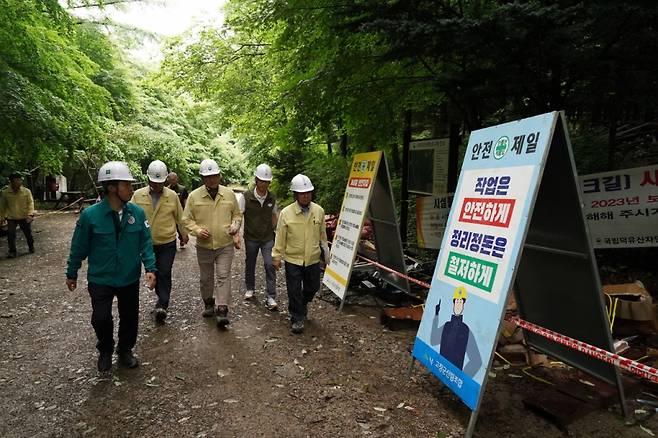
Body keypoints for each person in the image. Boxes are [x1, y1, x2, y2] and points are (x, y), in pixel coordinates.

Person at [65, 161, 157, 372]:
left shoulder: (137, 213)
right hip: (101, 278)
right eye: (126, 184)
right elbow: (78, 247)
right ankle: (105, 349)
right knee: (100, 318)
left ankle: (125, 350)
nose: (131, 188)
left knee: (130, 317)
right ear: (111, 187)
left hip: (128, 277)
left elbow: (145, 243)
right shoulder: (90, 216)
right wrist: (72, 273)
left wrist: (150, 269)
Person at [182, 159, 242, 328]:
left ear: (219, 175)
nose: (212, 179)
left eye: (214, 176)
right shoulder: (194, 196)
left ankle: (222, 309)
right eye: (208, 177)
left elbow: (237, 215)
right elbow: (186, 219)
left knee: (223, 275)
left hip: (225, 245)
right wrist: (197, 231)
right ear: (203, 178)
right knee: (206, 278)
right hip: (204, 246)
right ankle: (209, 302)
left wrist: (235, 226)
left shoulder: (229, 194)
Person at [131, 160, 189, 324]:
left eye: (160, 182)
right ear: (148, 179)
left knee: (164, 271)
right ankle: (160, 299)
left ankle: (162, 304)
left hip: (167, 242)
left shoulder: (171, 196)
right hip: (146, 244)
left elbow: (180, 216)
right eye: (154, 182)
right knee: (154, 272)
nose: (157, 186)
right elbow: (130, 217)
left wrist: (184, 234)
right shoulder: (138, 195)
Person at [272, 174, 329, 334]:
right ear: (295, 194)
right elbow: (280, 236)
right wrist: (276, 256)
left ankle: (302, 304)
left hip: (312, 258)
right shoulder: (286, 213)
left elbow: (322, 235)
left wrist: (326, 255)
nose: (306, 196)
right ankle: (297, 318)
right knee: (294, 289)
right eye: (302, 193)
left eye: (308, 192)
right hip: (293, 259)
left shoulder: (319, 211)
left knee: (313, 287)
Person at [236, 164, 279, 310]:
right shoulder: (246, 196)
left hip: (267, 237)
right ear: (256, 180)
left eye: (267, 181)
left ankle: (271, 296)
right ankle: (250, 288)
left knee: (269, 264)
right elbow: (239, 215)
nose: (264, 184)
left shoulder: (272, 197)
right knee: (250, 262)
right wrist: (235, 232)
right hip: (251, 237)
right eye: (261, 180)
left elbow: (274, 216)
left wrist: (276, 233)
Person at [429, 286, 482, 377]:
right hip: (441, 370)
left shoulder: (465, 330)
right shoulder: (447, 325)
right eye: (456, 301)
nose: (458, 305)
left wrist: (462, 378)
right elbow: (433, 341)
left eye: (461, 302)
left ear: (463, 306)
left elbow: (476, 361)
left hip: (454, 376)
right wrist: (436, 316)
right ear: (453, 304)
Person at [0, 173, 35, 258]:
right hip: (11, 217)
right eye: (17, 180)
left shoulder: (26, 191)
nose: (19, 182)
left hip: (24, 216)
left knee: (28, 234)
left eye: (20, 180)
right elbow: (2, 206)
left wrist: (30, 214)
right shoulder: (5, 193)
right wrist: (1, 217)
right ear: (11, 182)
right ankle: (12, 251)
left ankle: (31, 247)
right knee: (10, 234)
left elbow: (30, 203)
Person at [167, 172, 189, 247]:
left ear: (177, 179)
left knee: (181, 227)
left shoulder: (182, 189)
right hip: (170, 213)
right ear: (168, 180)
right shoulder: (167, 190)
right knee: (172, 228)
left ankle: (182, 239)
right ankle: (172, 243)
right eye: (171, 179)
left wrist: (186, 211)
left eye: (174, 179)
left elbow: (186, 201)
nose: (173, 181)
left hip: (181, 212)